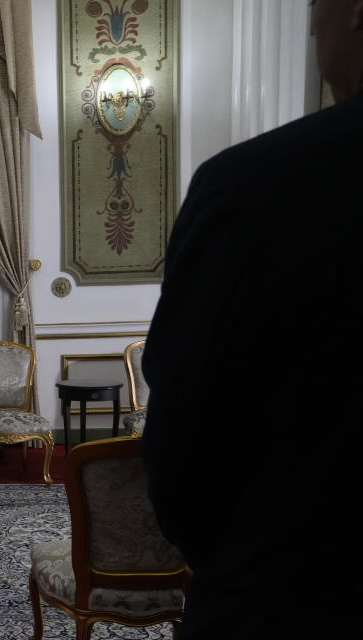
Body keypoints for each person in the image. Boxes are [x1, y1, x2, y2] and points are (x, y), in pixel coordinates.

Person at [141, 1, 362, 638]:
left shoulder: (256, 187)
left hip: (289, 599)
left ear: (352, 11)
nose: (312, 30)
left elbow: (182, 453)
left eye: (314, 12)